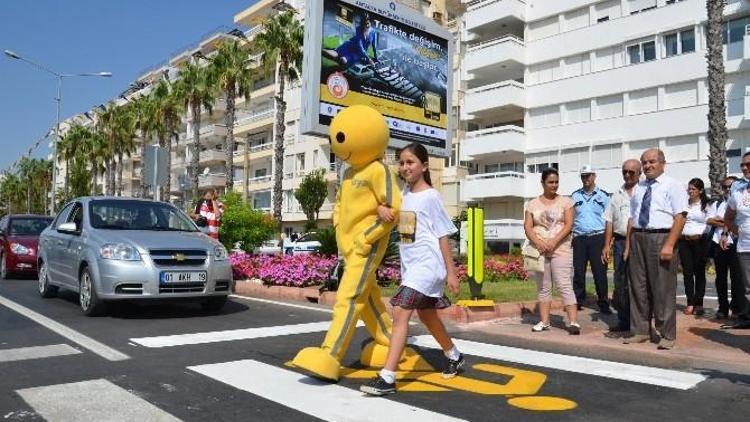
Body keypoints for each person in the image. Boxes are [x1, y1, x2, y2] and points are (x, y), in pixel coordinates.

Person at [360, 143, 462, 396]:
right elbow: (391, 212)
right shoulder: (403, 193)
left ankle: (387, 377)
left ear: (424, 166)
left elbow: (442, 235)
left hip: (429, 265)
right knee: (427, 316)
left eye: (411, 162)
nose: (405, 167)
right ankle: (454, 355)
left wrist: (451, 272)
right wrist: (381, 208)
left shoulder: (431, 196)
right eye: (402, 162)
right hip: (412, 266)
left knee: (400, 311)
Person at [624, 149, 688, 350]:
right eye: (644, 162)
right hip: (638, 237)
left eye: (652, 162)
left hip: (661, 237)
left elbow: (680, 216)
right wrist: (628, 244)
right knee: (638, 286)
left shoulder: (673, 185)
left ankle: (666, 333)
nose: (647, 166)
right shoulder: (639, 186)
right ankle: (641, 330)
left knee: (662, 288)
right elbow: (632, 218)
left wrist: (669, 244)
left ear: (662, 163)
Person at [524, 168, 580, 335]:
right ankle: (545, 321)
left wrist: (554, 242)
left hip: (561, 249)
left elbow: (569, 224)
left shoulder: (566, 202)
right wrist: (539, 243)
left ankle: (573, 322)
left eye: (556, 182)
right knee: (543, 287)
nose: (554, 185)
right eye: (550, 182)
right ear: (543, 183)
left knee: (564, 285)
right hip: (539, 251)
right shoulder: (532, 204)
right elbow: (527, 226)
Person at [602, 159, 641, 335]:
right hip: (619, 241)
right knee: (621, 282)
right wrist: (606, 245)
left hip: (640, 240)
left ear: (639, 173)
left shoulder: (645, 191)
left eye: (631, 172)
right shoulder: (616, 195)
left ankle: (640, 322)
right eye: (624, 172)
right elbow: (609, 221)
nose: (627, 175)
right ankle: (624, 320)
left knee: (640, 283)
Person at [571, 165, 611, 313]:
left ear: (594, 176)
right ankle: (578, 301)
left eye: (588, 175)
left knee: (600, 272)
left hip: (598, 238)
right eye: (583, 176)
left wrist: (608, 242)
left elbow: (609, 220)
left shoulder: (604, 196)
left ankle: (603, 302)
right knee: (578, 272)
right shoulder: (575, 196)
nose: (586, 178)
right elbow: (570, 218)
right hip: (579, 238)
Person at [720, 151, 750, 329]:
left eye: (749, 164)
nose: (745, 168)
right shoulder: (737, 190)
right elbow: (728, 217)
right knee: (748, 289)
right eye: (743, 165)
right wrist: (737, 232)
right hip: (745, 247)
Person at [706, 176, 742, 319]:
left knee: (736, 278)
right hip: (718, 243)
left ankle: (736, 308)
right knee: (720, 278)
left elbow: (739, 220)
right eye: (725, 187)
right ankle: (723, 308)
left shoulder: (741, 202)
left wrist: (722, 220)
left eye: (730, 186)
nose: (728, 189)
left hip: (735, 243)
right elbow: (709, 220)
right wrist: (727, 221)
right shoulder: (718, 203)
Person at [678, 178, 711, 316]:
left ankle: (699, 304)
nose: (690, 191)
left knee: (699, 272)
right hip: (684, 241)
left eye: (693, 189)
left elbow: (710, 222)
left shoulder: (707, 205)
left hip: (700, 241)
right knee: (687, 272)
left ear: (701, 191)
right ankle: (690, 302)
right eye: (689, 189)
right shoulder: (685, 204)